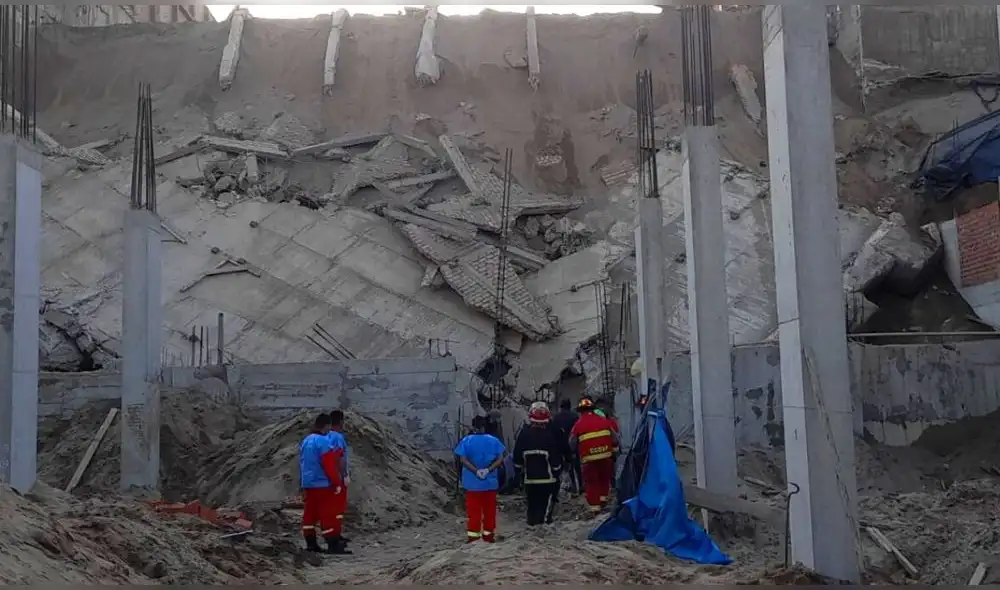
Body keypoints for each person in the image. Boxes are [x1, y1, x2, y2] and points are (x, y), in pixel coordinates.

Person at [299, 413, 350, 554]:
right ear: (326, 426)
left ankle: (311, 544)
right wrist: (336, 482)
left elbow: (303, 463)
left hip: (308, 484)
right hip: (322, 484)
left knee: (310, 515)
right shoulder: (323, 442)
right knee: (329, 514)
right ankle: (333, 545)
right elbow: (329, 465)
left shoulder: (306, 440)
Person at [513, 402, 567, 526]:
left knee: (532, 508)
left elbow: (517, 459)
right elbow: (555, 461)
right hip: (548, 481)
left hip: (530, 480)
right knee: (545, 513)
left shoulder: (523, 435)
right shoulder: (549, 436)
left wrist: (518, 475)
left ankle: (531, 530)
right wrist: (558, 472)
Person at [454, 415, 506, 543]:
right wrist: (488, 470)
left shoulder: (466, 441)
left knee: (474, 512)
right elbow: (500, 459)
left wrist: (476, 471)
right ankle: (488, 537)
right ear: (484, 426)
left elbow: (463, 460)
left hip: (472, 484)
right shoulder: (494, 441)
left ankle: (473, 538)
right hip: (490, 483)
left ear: (473, 426)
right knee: (489, 511)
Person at [570, 397, 620, 514]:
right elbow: (615, 438)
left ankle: (594, 508)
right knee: (604, 479)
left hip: (589, 459)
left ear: (580, 411)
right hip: (605, 456)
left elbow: (572, 442)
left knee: (591, 482)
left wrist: (574, 452)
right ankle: (603, 501)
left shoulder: (578, 424)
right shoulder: (604, 421)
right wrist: (614, 452)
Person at [326, 409, 352, 548]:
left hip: (327, 478)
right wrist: (345, 475)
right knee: (337, 509)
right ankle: (334, 539)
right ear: (341, 421)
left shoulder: (326, 436)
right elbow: (339, 458)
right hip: (337, 478)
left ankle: (335, 535)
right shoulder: (338, 437)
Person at [551, 398, 581, 494]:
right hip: (572, 446)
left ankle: (560, 488)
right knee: (575, 466)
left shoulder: (556, 417)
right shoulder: (575, 416)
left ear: (561, 407)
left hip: (559, 446)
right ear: (570, 406)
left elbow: (553, 432)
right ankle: (578, 486)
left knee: (559, 468)